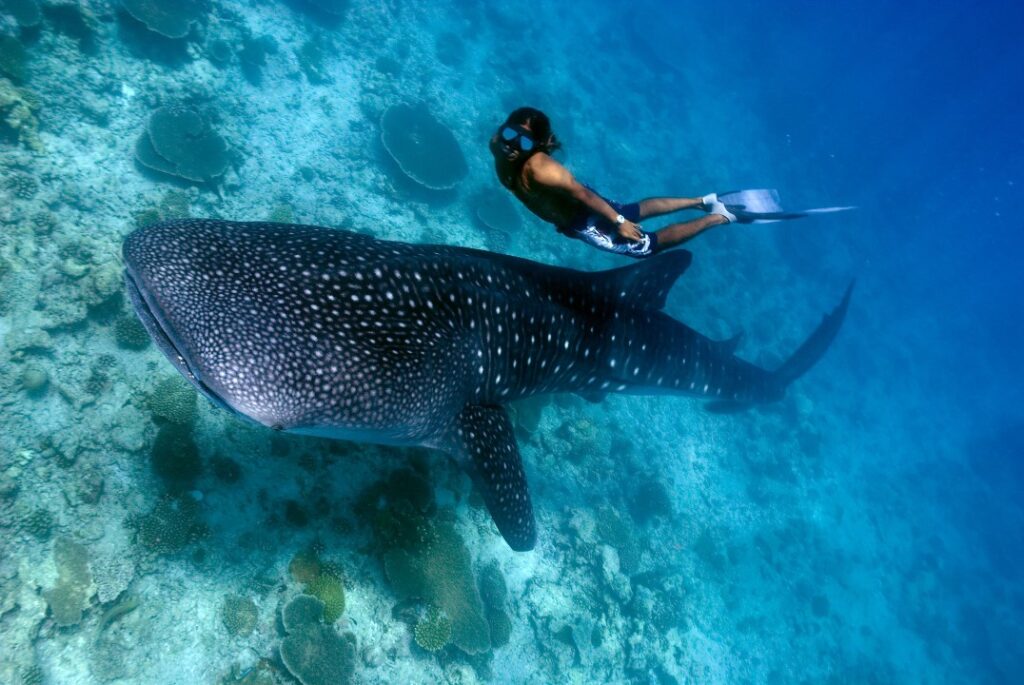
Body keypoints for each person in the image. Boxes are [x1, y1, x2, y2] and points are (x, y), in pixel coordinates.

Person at [489, 107, 736, 259]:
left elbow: (583, 194)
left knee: (647, 247)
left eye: (525, 141)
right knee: (632, 211)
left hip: (584, 216)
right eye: (510, 133)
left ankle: (718, 217)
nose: (512, 144)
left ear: (536, 146)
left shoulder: (542, 170)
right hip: (572, 213)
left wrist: (618, 223)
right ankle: (702, 202)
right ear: (503, 128)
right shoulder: (496, 144)